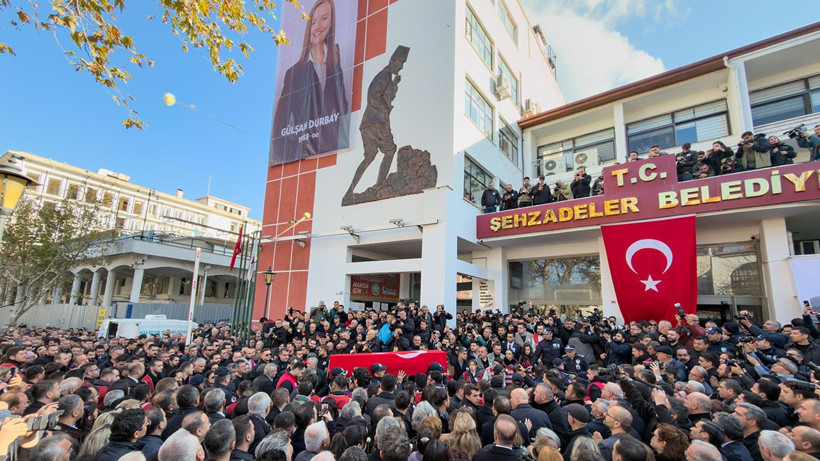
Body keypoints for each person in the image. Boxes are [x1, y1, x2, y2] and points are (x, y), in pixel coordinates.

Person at [271, 0, 349, 165]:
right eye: (313, 22)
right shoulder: (294, 73)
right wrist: (296, 148)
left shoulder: (335, 62)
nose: (318, 26)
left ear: (331, 22)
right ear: (308, 27)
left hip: (335, 151)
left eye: (324, 19)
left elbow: (343, 106)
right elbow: (279, 127)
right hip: (306, 154)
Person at [346, 46, 409, 196]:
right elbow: (374, 96)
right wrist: (385, 109)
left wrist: (395, 85)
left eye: (402, 64)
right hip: (377, 123)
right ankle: (379, 185)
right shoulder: (384, 75)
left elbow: (386, 95)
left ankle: (349, 192)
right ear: (393, 61)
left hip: (368, 124)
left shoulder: (388, 77)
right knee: (390, 150)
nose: (400, 67)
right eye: (400, 63)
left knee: (369, 157)